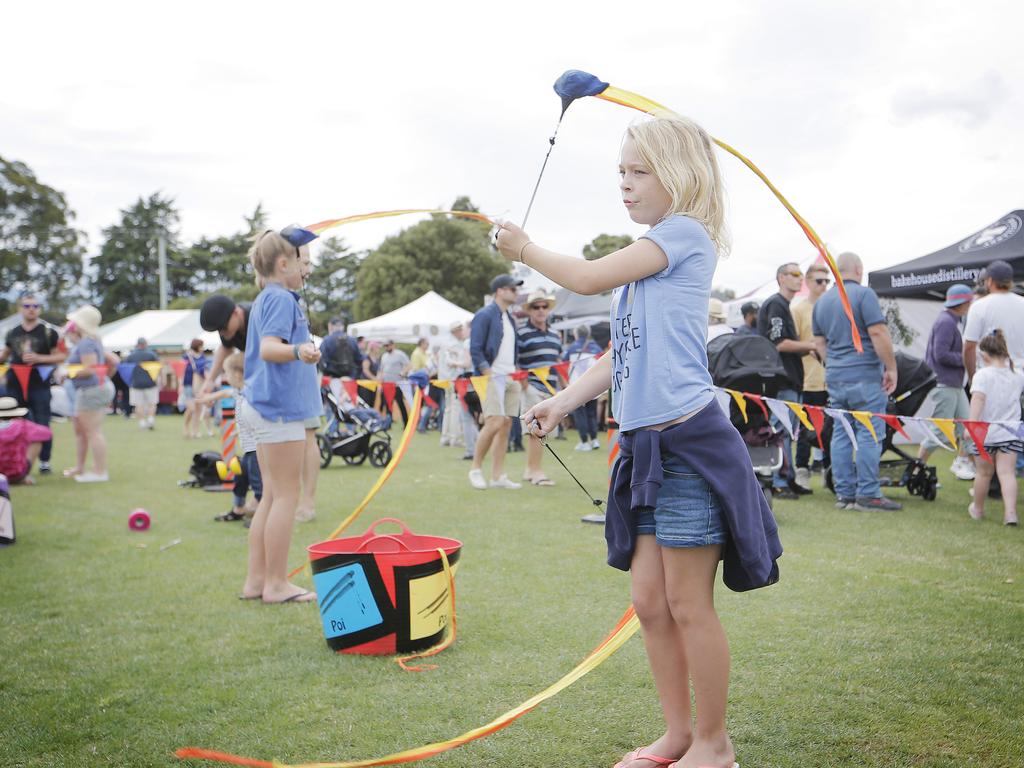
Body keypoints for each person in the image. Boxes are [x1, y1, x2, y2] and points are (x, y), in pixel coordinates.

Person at [497, 115, 782, 768]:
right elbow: (621, 357)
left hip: (688, 447)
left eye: (638, 171)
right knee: (649, 602)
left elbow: (587, 277)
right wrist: (565, 400)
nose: (624, 185)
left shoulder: (682, 236)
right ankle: (678, 736)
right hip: (644, 451)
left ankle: (715, 745)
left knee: (687, 602)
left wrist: (524, 249)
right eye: (619, 173)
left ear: (678, 176)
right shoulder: (649, 258)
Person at [239, 228, 321, 604]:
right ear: (283, 263)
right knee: (285, 496)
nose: (308, 268)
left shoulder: (269, 298)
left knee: (271, 497)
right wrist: (300, 351)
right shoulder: (280, 300)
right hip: (278, 410)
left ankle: (258, 582)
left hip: (266, 408)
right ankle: (275, 584)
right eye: (303, 261)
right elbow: (271, 348)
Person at [812, 252, 901, 511]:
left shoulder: (822, 301)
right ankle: (868, 494)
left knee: (841, 433)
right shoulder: (864, 295)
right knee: (869, 433)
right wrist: (891, 368)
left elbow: (819, 343)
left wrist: (833, 366)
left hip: (836, 377)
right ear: (859, 269)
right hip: (864, 376)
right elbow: (877, 331)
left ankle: (845, 494)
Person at [758, 262, 817, 499]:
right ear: (781, 277)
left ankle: (787, 478)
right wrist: (812, 345)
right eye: (794, 274)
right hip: (781, 381)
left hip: (790, 380)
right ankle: (778, 481)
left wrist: (806, 349)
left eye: (801, 274)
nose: (800, 278)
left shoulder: (784, 305)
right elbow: (778, 342)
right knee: (780, 431)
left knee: (788, 432)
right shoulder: (776, 304)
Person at [468, 274, 524, 491]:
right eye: (512, 289)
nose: (516, 293)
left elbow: (511, 349)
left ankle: (497, 476)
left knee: (506, 425)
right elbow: (475, 348)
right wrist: (487, 371)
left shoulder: (509, 317)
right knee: (494, 421)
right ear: (500, 291)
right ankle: (475, 469)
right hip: (492, 376)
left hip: (510, 376)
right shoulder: (484, 314)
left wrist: (516, 371)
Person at [0, 293, 66, 475]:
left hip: (39, 382)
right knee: (14, 422)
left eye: (35, 306)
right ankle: (13, 460)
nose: (31, 309)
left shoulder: (48, 331)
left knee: (42, 421)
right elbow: (5, 355)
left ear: (40, 308)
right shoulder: (12, 331)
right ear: (20, 308)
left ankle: (44, 461)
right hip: (15, 383)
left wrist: (39, 358)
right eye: (27, 306)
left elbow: (61, 356)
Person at [195, 352, 261, 523]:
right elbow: (225, 394)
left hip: (257, 450)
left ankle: (261, 516)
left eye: (227, 373)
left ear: (238, 374)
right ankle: (238, 509)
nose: (225, 377)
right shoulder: (239, 391)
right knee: (240, 478)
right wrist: (208, 398)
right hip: (248, 450)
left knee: (258, 485)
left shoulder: (251, 393)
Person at [966, 330, 1022, 526]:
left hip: (986, 433)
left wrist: (971, 427)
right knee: (1007, 473)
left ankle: (978, 509)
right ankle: (1011, 514)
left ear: (984, 355)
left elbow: (978, 400)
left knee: (983, 473)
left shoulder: (982, 375)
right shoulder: (1018, 375)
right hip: (1011, 432)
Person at [919, 284, 975, 479]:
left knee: (968, 428)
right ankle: (918, 469)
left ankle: (965, 465)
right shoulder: (947, 322)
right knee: (940, 432)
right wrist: (967, 359)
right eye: (970, 302)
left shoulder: (949, 321)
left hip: (952, 384)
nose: (971, 305)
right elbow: (940, 355)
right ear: (963, 303)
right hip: (945, 384)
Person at [63, 305, 114, 483]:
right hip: (92, 389)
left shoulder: (86, 343)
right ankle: (84, 467)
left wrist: (66, 373)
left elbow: (90, 369)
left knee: (93, 432)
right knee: (86, 431)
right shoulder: (93, 340)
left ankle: (99, 472)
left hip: (90, 390)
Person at [516, 289, 561, 486]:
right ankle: (536, 471)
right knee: (537, 430)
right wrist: (525, 385)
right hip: (531, 386)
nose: (541, 310)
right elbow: (515, 362)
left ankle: (530, 469)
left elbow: (558, 363)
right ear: (530, 310)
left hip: (551, 389)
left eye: (544, 306)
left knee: (543, 430)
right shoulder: (522, 333)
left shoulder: (555, 334)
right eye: (536, 307)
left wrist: (564, 388)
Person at [790, 263, 831, 483]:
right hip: (808, 379)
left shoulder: (832, 307)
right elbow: (792, 343)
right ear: (808, 282)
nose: (824, 285)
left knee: (831, 428)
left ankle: (829, 471)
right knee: (807, 430)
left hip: (832, 380)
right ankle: (802, 471)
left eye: (827, 281)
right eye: (819, 281)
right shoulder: (798, 309)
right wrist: (812, 346)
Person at [963, 259, 1024, 379]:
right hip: (1020, 374)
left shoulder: (979, 306)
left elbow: (969, 347)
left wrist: (972, 377)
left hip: (989, 376)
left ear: (990, 281)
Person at [439, 320, 477, 456]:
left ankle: (446, 436)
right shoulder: (455, 344)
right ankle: (453, 437)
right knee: (454, 408)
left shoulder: (447, 343)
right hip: (454, 380)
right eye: (460, 330)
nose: (462, 332)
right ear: (456, 331)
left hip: (447, 379)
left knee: (449, 409)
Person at [563, 324, 603, 451]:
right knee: (592, 414)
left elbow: (563, 362)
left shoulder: (572, 348)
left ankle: (584, 441)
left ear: (576, 334)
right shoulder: (595, 347)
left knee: (580, 414)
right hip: (593, 385)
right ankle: (595, 440)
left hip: (577, 386)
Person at [0, 396, 53, 485]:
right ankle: (24, 477)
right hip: (17, 474)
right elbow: (47, 433)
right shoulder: (23, 426)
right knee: (36, 440)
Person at [126, 337, 160, 430]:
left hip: (135, 383)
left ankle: (142, 422)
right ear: (145, 344)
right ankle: (150, 419)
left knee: (138, 404)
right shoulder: (152, 354)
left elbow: (126, 369)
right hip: (151, 383)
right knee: (152, 403)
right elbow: (158, 367)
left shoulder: (131, 356)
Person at [179, 339, 208, 438]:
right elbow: (180, 371)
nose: (203, 348)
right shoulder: (186, 356)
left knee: (198, 409)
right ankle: (186, 427)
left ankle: (195, 431)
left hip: (199, 385)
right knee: (191, 408)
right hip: (188, 384)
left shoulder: (203, 356)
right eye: (201, 346)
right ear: (196, 346)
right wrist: (180, 385)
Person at [378, 340, 411, 425]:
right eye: (385, 346)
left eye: (388, 345)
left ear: (393, 345)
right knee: (388, 404)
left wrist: (403, 372)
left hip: (397, 384)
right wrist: (380, 380)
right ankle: (388, 423)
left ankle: (406, 423)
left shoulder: (399, 354)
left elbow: (408, 365)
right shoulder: (384, 356)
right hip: (386, 384)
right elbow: (381, 369)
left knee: (400, 404)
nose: (386, 347)